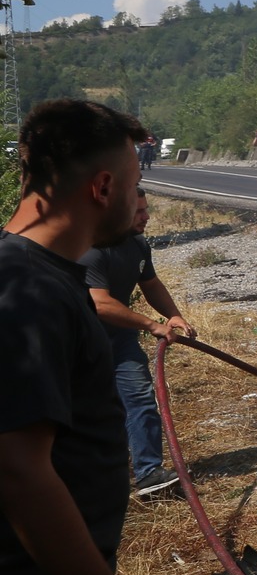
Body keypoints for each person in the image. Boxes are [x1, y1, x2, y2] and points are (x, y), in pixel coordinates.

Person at [0, 99, 181, 575]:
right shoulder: (28, 293)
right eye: (136, 180)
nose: (141, 198)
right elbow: (17, 468)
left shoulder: (44, 278)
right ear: (102, 186)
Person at [84, 190, 194, 497]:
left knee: (141, 400)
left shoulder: (137, 244)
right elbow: (99, 302)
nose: (146, 216)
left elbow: (150, 283)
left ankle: (149, 475)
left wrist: (172, 316)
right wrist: (151, 324)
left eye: (146, 210)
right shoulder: (91, 249)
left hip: (119, 341)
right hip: (77, 347)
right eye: (139, 211)